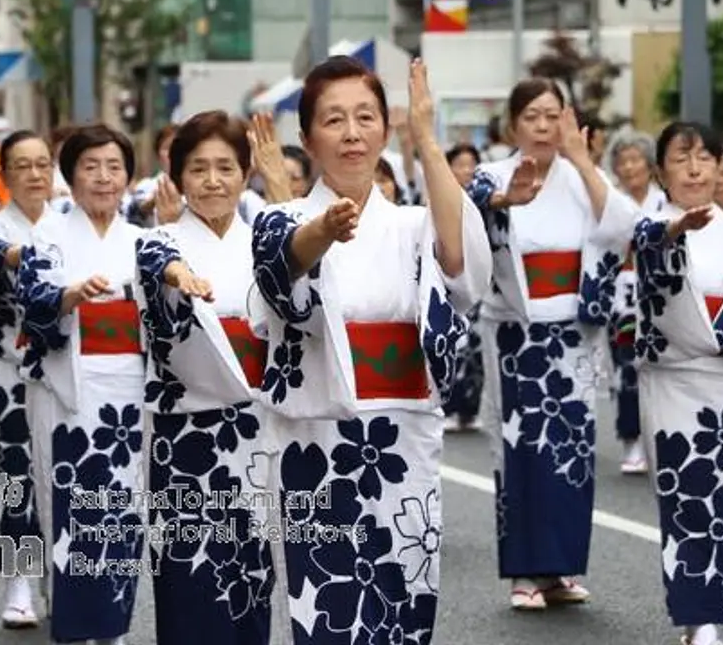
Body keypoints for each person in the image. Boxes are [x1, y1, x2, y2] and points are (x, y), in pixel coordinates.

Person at [249, 56, 492, 642]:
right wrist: (323, 231)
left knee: (404, 596)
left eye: (365, 117)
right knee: (329, 602)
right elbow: (283, 272)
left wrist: (427, 139)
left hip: (401, 437)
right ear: (306, 138)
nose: (352, 133)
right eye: (334, 120)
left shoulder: (414, 223)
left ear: (386, 128)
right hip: (319, 441)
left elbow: (462, 270)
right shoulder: (280, 220)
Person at [466, 77, 638, 610]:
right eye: (532, 117)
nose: (542, 127)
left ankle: (559, 569)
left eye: (552, 115)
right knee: (519, 448)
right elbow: (468, 209)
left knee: (571, 451)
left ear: (568, 119)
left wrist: (584, 161)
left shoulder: (582, 177)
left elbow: (624, 226)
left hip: (573, 333)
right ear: (513, 124)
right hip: (517, 332)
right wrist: (502, 199)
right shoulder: (492, 174)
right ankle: (523, 573)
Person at [134, 110, 288, 644]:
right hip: (186, 435)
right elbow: (159, 264)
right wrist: (182, 278)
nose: (213, 180)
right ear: (178, 178)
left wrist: (283, 182)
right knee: (189, 564)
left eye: (226, 167)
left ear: (246, 173)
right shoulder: (158, 242)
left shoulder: (262, 241)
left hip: (255, 424)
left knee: (250, 561)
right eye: (198, 169)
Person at [633, 126, 723, 645]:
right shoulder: (651, 224)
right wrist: (674, 232)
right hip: (675, 379)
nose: (694, 167)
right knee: (684, 494)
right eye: (681, 157)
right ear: (661, 172)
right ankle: (698, 618)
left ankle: (712, 616)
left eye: (705, 157)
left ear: (721, 168)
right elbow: (648, 250)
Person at [15, 124, 144, 645]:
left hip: (130, 394)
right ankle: (71, 627)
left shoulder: (145, 241)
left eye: (114, 167)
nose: (103, 177)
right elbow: (35, 301)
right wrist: (69, 296)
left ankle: (111, 627)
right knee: (69, 505)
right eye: (90, 167)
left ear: (129, 177)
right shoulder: (48, 236)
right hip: (69, 390)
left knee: (123, 507)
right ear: (70, 177)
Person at [0, 130, 57, 628]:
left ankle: (59, 582)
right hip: (8, 369)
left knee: (62, 471)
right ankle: (18, 580)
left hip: (64, 371)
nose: (35, 174)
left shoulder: (69, 221)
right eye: (23, 166)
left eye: (43, 164)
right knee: (14, 473)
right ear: (4, 176)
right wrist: (39, 258)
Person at [603, 128, 666, 474]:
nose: (629, 168)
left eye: (635, 160)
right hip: (623, 297)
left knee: (662, 370)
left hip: (660, 294)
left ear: (649, 164)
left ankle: (661, 438)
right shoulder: (612, 202)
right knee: (627, 368)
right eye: (622, 161)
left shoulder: (664, 201)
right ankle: (631, 440)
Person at [443, 143, 485, 433]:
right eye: (460, 164)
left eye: (472, 164)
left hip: (481, 287)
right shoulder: (438, 197)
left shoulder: (485, 199)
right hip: (447, 286)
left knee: (476, 352)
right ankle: (449, 406)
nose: (466, 170)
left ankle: (470, 410)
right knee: (454, 348)